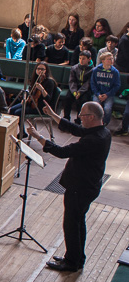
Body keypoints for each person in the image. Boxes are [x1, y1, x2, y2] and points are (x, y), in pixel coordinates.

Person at [27, 101, 110, 272]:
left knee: (71, 224)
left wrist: (38, 136)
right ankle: (77, 257)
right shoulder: (102, 131)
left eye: (82, 115)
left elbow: (62, 152)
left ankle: (71, 262)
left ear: (91, 117)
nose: (79, 117)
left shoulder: (94, 140)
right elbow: (77, 129)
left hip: (80, 188)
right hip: (87, 186)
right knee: (78, 222)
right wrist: (53, 115)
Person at [9, 62, 56, 134]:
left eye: (42, 69)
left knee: (18, 112)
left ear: (46, 71)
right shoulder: (36, 79)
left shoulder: (50, 82)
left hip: (41, 107)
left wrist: (42, 89)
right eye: (38, 69)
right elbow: (30, 92)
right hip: (31, 103)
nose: (40, 71)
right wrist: (25, 99)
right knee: (12, 109)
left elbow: (48, 99)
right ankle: (12, 131)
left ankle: (22, 133)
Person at [90, 51, 121, 126]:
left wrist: (107, 95)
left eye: (112, 59)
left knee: (107, 109)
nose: (111, 61)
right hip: (98, 93)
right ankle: (95, 123)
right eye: (109, 59)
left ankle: (105, 123)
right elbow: (93, 84)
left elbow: (117, 85)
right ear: (103, 61)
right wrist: (98, 94)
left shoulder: (115, 72)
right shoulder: (96, 70)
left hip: (109, 94)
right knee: (96, 107)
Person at [62, 50, 93, 123]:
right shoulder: (74, 68)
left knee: (82, 101)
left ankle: (79, 119)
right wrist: (74, 92)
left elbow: (88, 83)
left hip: (85, 89)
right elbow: (72, 81)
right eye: (80, 58)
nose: (81, 60)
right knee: (68, 98)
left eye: (83, 59)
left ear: (89, 59)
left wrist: (80, 92)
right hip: (75, 88)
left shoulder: (92, 70)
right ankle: (66, 117)